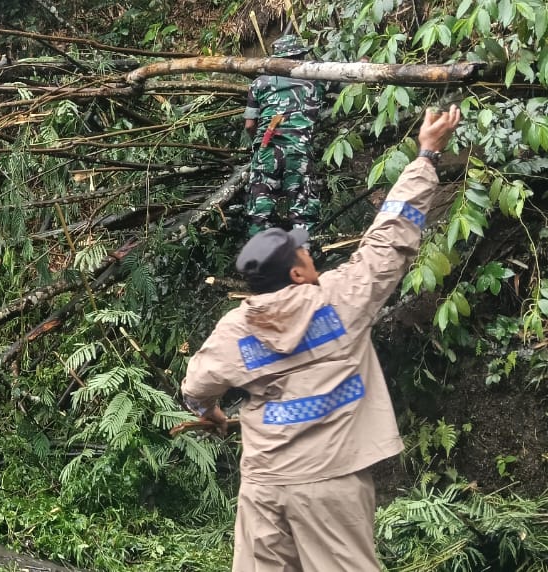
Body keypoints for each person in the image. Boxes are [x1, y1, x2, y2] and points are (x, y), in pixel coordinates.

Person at [181, 105, 462, 570]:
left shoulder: (236, 328)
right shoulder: (341, 301)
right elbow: (389, 238)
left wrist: (208, 412)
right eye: (306, 253)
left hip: (264, 483)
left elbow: (195, 387)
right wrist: (427, 156)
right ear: (297, 271)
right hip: (331, 482)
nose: (313, 255)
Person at [243, 34, 330, 235]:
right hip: (298, 150)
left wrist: (260, 144)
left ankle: (259, 259)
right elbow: (348, 84)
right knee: (302, 211)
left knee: (260, 211)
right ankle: (303, 257)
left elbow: (249, 125)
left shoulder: (260, 83)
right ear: (300, 56)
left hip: (267, 148)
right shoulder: (316, 79)